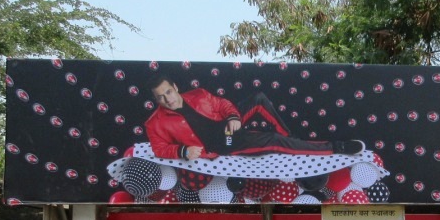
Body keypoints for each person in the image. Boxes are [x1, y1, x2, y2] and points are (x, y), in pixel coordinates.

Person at [145, 74, 365, 161]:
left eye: (169, 92)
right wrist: (183, 151)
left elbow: (222, 104)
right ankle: (337, 147)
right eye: (160, 97)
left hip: (228, 129)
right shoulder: (155, 122)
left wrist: (232, 116)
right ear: (156, 99)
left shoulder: (198, 94)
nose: (167, 99)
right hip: (223, 145)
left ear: (175, 87)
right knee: (275, 141)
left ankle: (291, 137)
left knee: (259, 98)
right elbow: (159, 148)